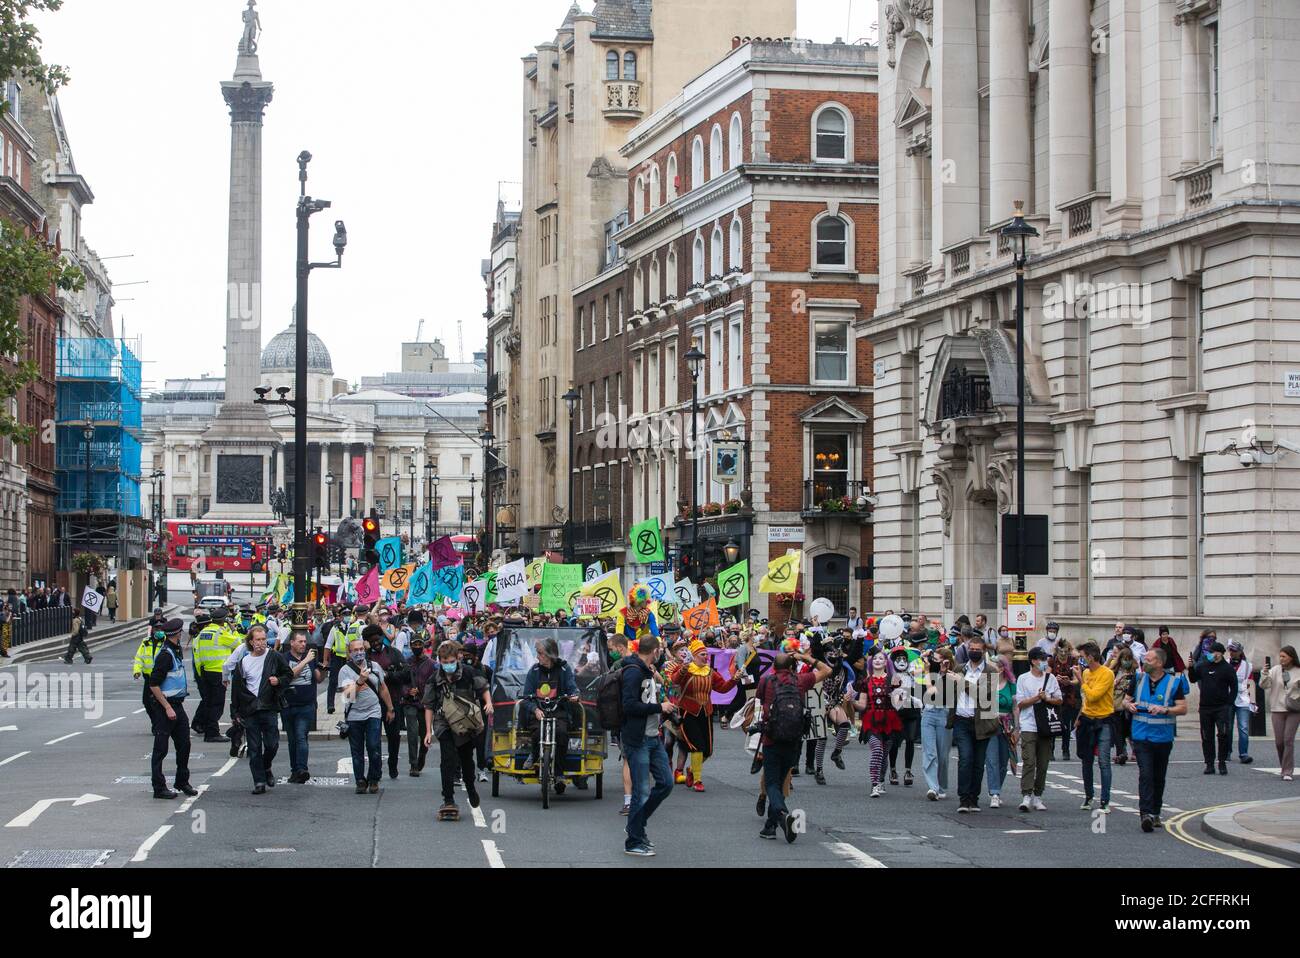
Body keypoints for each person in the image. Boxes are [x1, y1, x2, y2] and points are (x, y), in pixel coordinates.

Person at [757, 649, 831, 840]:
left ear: (774, 667)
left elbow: (758, 701)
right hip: (794, 739)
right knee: (781, 781)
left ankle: (781, 815)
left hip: (771, 738)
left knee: (772, 782)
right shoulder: (800, 680)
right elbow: (826, 670)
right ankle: (770, 826)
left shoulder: (766, 681)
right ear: (791, 667)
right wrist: (806, 658)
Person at [422, 639, 492, 820]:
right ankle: (448, 799)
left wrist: (488, 703)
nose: (448, 666)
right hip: (443, 722)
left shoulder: (469, 673)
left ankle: (470, 787)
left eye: (451, 662)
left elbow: (483, 687)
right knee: (447, 759)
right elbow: (428, 705)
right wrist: (428, 731)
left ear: (458, 658)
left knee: (466, 760)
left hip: (465, 723)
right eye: (444, 663)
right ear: (439, 661)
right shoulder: (434, 678)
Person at [621, 634, 677, 857]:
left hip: (653, 737)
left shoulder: (648, 671)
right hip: (638, 739)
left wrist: (663, 708)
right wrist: (659, 708)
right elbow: (629, 705)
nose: (662, 652)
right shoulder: (634, 672)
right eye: (660, 649)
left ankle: (636, 826)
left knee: (666, 783)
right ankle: (633, 840)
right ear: (654, 651)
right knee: (642, 792)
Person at [1125, 648, 1189, 832]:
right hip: (1141, 736)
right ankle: (1145, 814)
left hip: (1162, 738)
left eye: (1149, 660)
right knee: (1146, 774)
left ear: (1159, 663)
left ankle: (1155, 812)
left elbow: (1183, 708)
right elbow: (1124, 701)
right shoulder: (1137, 680)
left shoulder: (1173, 683)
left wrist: (1165, 710)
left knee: (1158, 777)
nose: (1145, 662)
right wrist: (1129, 705)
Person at [664, 639, 738, 792]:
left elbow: (723, 688)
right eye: (703, 654)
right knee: (697, 746)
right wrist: (684, 667)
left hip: (706, 712)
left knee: (708, 751)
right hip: (688, 712)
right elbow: (675, 680)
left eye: (707, 654)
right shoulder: (685, 668)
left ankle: (691, 769)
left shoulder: (710, 672)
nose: (706, 657)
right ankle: (697, 780)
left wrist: (734, 680)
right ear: (695, 655)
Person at [228, 624, 293, 794]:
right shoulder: (244, 662)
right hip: (250, 709)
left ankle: (266, 766)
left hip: (269, 706)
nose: (262, 643)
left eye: (264, 639)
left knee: (272, 745)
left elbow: (288, 674)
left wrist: (278, 681)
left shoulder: (274, 656)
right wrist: (234, 712)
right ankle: (259, 781)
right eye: (258, 640)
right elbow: (237, 689)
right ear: (251, 642)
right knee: (254, 748)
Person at [146, 618, 198, 800]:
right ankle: (159, 787)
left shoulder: (174, 650)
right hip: (165, 707)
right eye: (180, 632)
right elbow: (153, 684)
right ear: (177, 633)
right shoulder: (166, 655)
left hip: (177, 705)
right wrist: (167, 707)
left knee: (184, 744)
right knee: (161, 749)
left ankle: (182, 781)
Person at [520, 636, 580, 792]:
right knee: (537, 732)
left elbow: (572, 687)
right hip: (539, 711)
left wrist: (574, 695)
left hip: (558, 711)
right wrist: (535, 709)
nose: (538, 657)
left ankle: (559, 773)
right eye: (538, 653)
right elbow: (526, 697)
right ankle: (534, 755)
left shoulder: (564, 669)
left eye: (541, 654)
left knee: (561, 733)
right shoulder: (533, 671)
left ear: (551, 655)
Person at [948, 635, 1000, 813]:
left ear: (984, 651)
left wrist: (961, 682)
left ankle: (974, 798)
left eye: (978, 650)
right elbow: (949, 693)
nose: (974, 652)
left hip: (982, 722)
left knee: (978, 763)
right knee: (965, 759)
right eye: (972, 649)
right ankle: (963, 799)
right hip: (962, 721)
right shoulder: (960, 668)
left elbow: (984, 696)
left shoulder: (991, 672)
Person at [338, 637, 396, 794]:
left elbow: (383, 688)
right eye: (355, 650)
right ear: (349, 654)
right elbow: (347, 697)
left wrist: (390, 708)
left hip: (373, 712)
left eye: (361, 649)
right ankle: (360, 780)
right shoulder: (345, 671)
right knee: (357, 751)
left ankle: (374, 778)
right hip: (354, 715)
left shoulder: (374, 666)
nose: (359, 653)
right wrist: (359, 682)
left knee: (373, 746)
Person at [1015, 647, 1061, 812]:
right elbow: (1020, 703)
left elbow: (1059, 700)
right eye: (1041, 659)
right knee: (1029, 761)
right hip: (1028, 724)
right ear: (1033, 661)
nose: (1044, 662)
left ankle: (1038, 795)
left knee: (1043, 763)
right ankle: (1026, 795)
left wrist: (1047, 698)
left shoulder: (1051, 678)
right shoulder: (1023, 679)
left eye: (1045, 659)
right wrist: (1036, 698)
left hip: (1046, 725)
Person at [1074, 641, 1115, 813]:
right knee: (1086, 760)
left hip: (1103, 720)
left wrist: (1081, 681)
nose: (1080, 661)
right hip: (1087, 719)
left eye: (1082, 657)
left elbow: (1094, 696)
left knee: (1104, 761)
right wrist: (1079, 717)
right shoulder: (1086, 673)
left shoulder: (1107, 674)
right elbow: (1085, 700)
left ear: (1090, 657)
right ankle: (1089, 796)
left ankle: (1105, 800)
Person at [856, 649, 902, 798]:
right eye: (875, 658)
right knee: (877, 750)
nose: (877, 660)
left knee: (884, 754)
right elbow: (862, 705)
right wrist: (850, 700)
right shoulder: (866, 682)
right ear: (871, 662)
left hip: (889, 719)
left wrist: (896, 696)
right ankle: (874, 785)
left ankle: (881, 779)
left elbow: (899, 704)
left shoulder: (893, 680)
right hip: (871, 720)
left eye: (881, 658)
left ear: (886, 662)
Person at [1189, 641, 1238, 775]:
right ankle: (1209, 763)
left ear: (1220, 653)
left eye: (1212, 652)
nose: (1209, 654)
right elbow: (1193, 679)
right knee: (1206, 736)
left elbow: (1234, 687)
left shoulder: (1227, 668)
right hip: (1205, 707)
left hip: (1221, 707)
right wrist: (1191, 668)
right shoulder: (1203, 665)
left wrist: (1229, 703)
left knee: (1223, 734)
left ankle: (1222, 762)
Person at [282, 631, 323, 784]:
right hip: (289, 705)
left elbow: (318, 679)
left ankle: (302, 769)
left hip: (306, 705)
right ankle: (295, 770)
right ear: (292, 643)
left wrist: (323, 670)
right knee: (292, 740)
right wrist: (306, 661)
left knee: (301, 736)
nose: (303, 644)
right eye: (300, 642)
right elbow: (289, 675)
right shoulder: (284, 658)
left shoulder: (310, 658)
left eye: (305, 642)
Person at [192, 609, 235, 743]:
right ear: (224, 620)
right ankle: (212, 733)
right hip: (218, 673)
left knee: (209, 702)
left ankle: (207, 728)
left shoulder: (203, 633)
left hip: (204, 672)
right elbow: (239, 643)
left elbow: (197, 654)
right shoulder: (220, 633)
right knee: (217, 704)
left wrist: (199, 674)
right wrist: (233, 630)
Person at [1258, 646, 1299, 781]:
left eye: (1284, 656)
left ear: (1291, 657)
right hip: (1277, 709)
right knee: (1279, 742)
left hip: (1294, 709)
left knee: (1288, 740)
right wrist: (1264, 674)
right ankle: (1284, 766)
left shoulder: (1298, 671)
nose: (1281, 659)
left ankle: (1287, 771)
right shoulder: (1275, 670)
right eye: (1280, 656)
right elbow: (1264, 685)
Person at [920, 645, 955, 800]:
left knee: (943, 755)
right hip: (928, 713)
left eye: (938, 659)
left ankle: (941, 786)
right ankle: (932, 787)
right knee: (930, 752)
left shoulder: (954, 675)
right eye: (934, 659)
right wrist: (926, 660)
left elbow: (936, 692)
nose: (935, 661)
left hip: (944, 714)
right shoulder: (930, 672)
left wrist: (945, 672)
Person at [985, 651, 1017, 809]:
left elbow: (1015, 707)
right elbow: (982, 704)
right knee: (992, 760)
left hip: (1007, 726)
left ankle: (996, 788)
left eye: (993, 666)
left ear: (1002, 668)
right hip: (990, 724)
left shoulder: (1011, 684)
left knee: (1004, 761)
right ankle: (995, 793)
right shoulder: (987, 682)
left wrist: (1017, 728)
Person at [403, 634, 435, 776]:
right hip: (409, 702)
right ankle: (413, 764)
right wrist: (408, 691)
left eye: (419, 644)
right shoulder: (406, 662)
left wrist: (422, 692)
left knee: (424, 733)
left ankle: (421, 756)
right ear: (410, 646)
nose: (416, 647)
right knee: (412, 732)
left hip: (425, 703)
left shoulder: (431, 664)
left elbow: (433, 683)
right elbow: (401, 681)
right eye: (414, 645)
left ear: (423, 646)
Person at [1048, 640, 1079, 759]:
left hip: (1068, 695)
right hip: (1055, 695)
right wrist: (1055, 678)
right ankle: (1051, 750)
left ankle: (1066, 750)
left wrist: (1069, 681)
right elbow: (1047, 675)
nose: (1063, 654)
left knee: (1066, 724)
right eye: (1061, 651)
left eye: (1065, 651)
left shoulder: (1073, 661)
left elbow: (1077, 679)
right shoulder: (1052, 661)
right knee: (1053, 723)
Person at [1109, 644, 1139, 765]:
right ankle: (1121, 752)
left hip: (1130, 704)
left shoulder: (1135, 672)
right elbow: (1108, 686)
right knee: (1118, 730)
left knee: (1130, 729)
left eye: (1128, 659)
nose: (1126, 661)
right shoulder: (1114, 671)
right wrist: (1117, 681)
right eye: (1124, 659)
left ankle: (1134, 751)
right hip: (1117, 703)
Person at [1226, 640, 1254, 765]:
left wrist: (1253, 700)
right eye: (1230, 650)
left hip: (1243, 699)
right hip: (1228, 698)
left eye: (1234, 650)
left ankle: (1243, 753)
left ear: (1240, 652)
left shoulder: (1247, 665)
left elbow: (1251, 683)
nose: (1231, 653)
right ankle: (1226, 752)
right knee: (1228, 727)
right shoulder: (1225, 663)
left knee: (1243, 727)